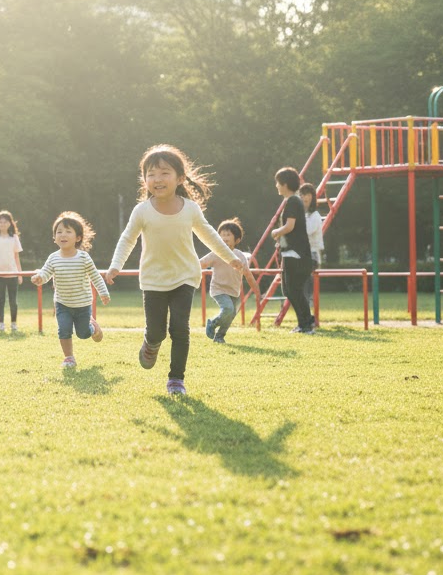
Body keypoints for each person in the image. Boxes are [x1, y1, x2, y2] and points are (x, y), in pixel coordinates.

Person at [107, 144, 255, 395]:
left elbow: (210, 236)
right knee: (156, 331)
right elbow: (127, 239)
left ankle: (176, 379)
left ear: (180, 178)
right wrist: (115, 266)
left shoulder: (190, 209)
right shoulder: (141, 211)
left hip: (185, 276)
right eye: (151, 174)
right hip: (153, 279)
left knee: (179, 328)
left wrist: (229, 258)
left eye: (165, 173)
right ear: (144, 180)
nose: (157, 179)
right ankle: (151, 344)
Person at [30, 211, 110, 370]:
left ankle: (93, 327)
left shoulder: (83, 258)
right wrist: (39, 278)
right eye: (59, 232)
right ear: (54, 238)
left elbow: (95, 276)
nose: (62, 235)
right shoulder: (53, 258)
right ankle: (69, 358)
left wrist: (103, 293)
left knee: (83, 334)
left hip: (82, 304)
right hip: (62, 303)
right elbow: (46, 273)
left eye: (68, 231)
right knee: (64, 330)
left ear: (78, 238)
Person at [199, 217, 261, 345]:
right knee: (227, 309)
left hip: (234, 291)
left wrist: (257, 291)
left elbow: (248, 275)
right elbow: (202, 263)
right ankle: (213, 323)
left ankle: (220, 337)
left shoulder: (240, 256)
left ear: (237, 240)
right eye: (221, 235)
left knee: (230, 315)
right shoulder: (216, 253)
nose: (224, 238)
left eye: (228, 235)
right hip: (219, 289)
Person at [271, 167, 315, 333]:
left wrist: (276, 232)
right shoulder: (293, 201)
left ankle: (307, 324)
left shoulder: (292, 202)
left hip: (295, 254)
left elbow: (290, 226)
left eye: (278, 182)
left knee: (292, 289)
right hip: (293, 253)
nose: (276, 186)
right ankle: (305, 323)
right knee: (289, 290)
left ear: (285, 184)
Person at [0, 210, 23, 332]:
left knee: (13, 301)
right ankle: (1, 324)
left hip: (13, 273)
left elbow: (17, 257)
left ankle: (13, 323)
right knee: (0, 300)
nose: (2, 224)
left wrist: (20, 274)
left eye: (5, 222)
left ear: (10, 223)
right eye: (0, 222)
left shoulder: (14, 238)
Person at [299, 183, 325, 329]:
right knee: (299, 290)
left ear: (313, 197)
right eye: (302, 194)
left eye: (308, 194)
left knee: (305, 290)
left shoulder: (315, 216)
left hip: (311, 256)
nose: (305, 197)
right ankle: (305, 320)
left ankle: (308, 321)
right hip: (299, 255)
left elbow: (305, 232)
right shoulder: (300, 215)